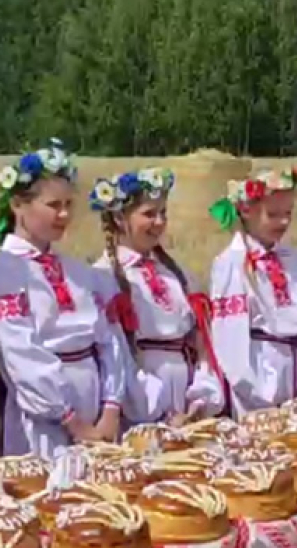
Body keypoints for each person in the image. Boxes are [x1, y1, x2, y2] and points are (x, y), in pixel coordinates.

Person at [0, 142, 125, 455]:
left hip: (95, 409)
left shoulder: (80, 272)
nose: (64, 214)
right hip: (42, 418)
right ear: (18, 204)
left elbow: (108, 341)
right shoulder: (4, 273)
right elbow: (21, 354)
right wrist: (71, 420)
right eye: (53, 205)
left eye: (69, 204)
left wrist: (111, 407)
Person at [91, 167, 225, 425]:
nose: (160, 222)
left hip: (185, 401)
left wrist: (198, 401)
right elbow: (117, 355)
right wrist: (157, 408)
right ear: (120, 218)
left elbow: (202, 344)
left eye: (163, 213)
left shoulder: (178, 275)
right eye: (149, 214)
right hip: (140, 405)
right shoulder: (104, 278)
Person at [208, 167, 297, 414]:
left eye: (288, 213)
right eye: (273, 214)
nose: (284, 222)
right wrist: (259, 398)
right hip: (257, 389)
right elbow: (230, 341)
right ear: (246, 211)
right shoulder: (232, 264)